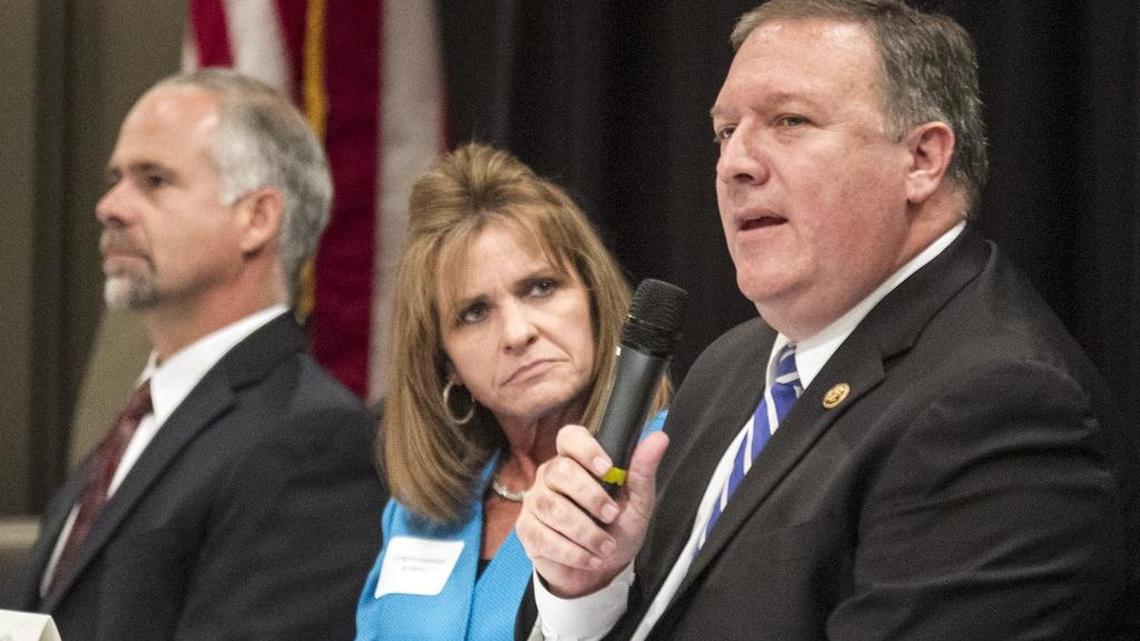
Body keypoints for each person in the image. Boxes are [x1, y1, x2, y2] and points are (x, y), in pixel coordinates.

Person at [515, 1, 1140, 640]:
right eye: (726, 131)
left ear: (922, 158)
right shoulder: (731, 367)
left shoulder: (1003, 403)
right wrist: (586, 587)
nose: (735, 164)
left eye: (790, 120)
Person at [2, 69, 386, 640]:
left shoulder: (313, 439)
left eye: (153, 181)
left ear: (257, 218)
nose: (110, 206)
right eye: (115, 179)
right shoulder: (140, 419)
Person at [353, 143, 669, 641]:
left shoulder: (668, 468)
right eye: (475, 312)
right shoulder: (420, 509)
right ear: (445, 362)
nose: (517, 333)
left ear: (593, 300)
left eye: (540, 288)